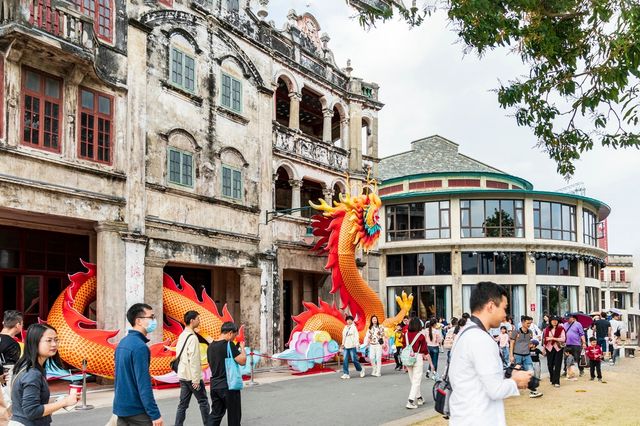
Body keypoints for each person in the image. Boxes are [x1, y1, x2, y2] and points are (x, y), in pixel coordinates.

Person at [449, 282, 531, 425]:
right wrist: (516, 381)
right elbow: (496, 390)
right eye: (504, 308)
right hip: (479, 419)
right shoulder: (480, 339)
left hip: (465, 417)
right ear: (491, 306)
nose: (505, 315)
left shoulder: (465, 333)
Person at [10, 323, 77, 425]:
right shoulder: (32, 373)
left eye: (56, 339)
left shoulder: (25, 366)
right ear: (34, 342)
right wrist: (65, 402)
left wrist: (62, 401)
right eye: (49, 340)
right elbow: (32, 411)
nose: (54, 344)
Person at [113, 303, 163, 426]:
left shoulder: (123, 343)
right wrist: (155, 414)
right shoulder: (140, 347)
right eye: (151, 317)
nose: (154, 320)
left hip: (122, 409)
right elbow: (144, 384)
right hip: (137, 411)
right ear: (139, 321)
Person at [174, 311, 210, 426]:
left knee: (182, 405)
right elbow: (193, 360)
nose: (199, 321)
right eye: (198, 318)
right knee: (203, 402)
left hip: (183, 375)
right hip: (192, 377)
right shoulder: (193, 338)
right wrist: (196, 379)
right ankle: (208, 424)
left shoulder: (182, 335)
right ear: (192, 321)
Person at [207, 321, 246, 426]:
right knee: (234, 415)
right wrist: (242, 348)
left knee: (216, 414)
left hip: (214, 385)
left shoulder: (210, 347)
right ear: (229, 333)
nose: (234, 338)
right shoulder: (229, 345)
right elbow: (243, 361)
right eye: (234, 335)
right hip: (229, 385)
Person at [509, 315, 542, 398]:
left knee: (530, 372)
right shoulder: (515, 332)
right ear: (522, 322)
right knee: (515, 373)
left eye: (530, 323)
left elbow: (529, 344)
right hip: (517, 355)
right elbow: (512, 344)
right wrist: (511, 355)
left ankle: (533, 390)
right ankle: (513, 389)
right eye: (527, 323)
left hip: (527, 355)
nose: (529, 325)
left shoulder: (530, 332)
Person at [404, 317, 433, 409]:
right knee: (416, 381)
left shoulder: (405, 335)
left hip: (407, 358)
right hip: (417, 358)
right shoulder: (420, 336)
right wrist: (431, 364)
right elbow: (425, 351)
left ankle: (419, 398)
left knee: (413, 380)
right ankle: (410, 401)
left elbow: (404, 346)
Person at [543, 316, 566, 387]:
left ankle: (557, 381)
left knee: (557, 364)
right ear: (550, 321)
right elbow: (545, 339)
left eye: (556, 320)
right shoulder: (547, 329)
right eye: (553, 320)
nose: (554, 321)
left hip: (558, 348)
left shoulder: (561, 329)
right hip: (549, 348)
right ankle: (552, 378)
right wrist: (544, 349)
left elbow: (563, 339)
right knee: (550, 365)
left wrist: (553, 338)